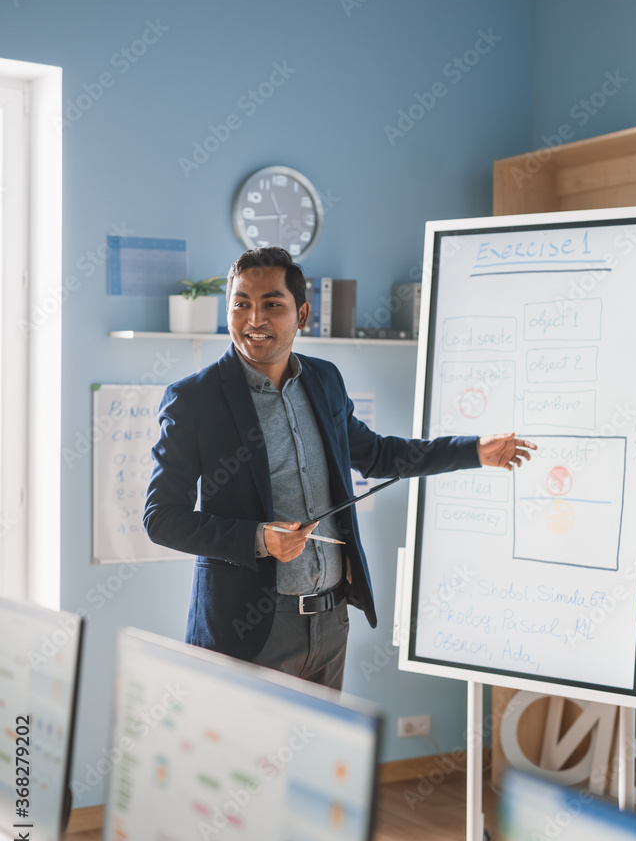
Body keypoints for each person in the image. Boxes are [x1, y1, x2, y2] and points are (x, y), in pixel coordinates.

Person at [143, 247, 535, 690]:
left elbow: (379, 455)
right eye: (241, 304)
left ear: (302, 313)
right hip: (248, 633)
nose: (255, 319)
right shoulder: (195, 399)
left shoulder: (324, 380)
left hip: (330, 625)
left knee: (320, 759)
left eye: (272, 304)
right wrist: (258, 539)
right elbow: (161, 519)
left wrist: (473, 452)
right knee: (245, 760)